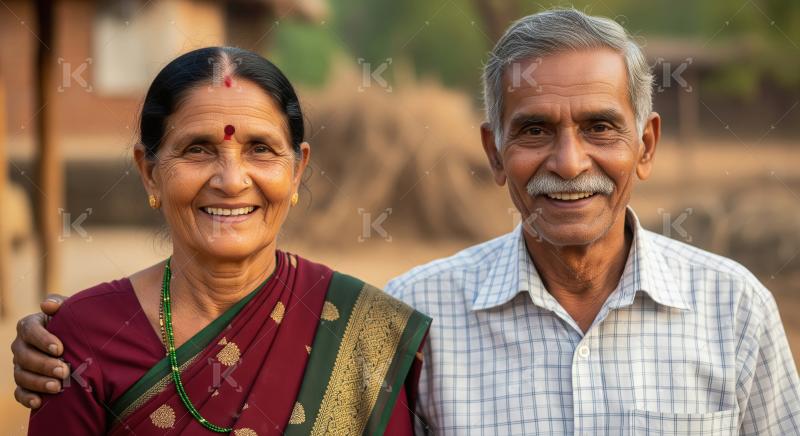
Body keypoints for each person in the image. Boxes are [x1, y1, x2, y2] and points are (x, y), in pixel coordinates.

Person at [12, 8, 800, 436]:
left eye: (600, 127)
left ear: (646, 145)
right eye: (533, 131)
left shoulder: (735, 311)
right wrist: (69, 341)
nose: (568, 162)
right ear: (493, 153)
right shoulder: (419, 316)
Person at [13, 46, 430, 435]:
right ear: (149, 172)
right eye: (198, 149)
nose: (231, 181)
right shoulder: (83, 337)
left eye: (260, 149)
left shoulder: (366, 331)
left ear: (297, 170)